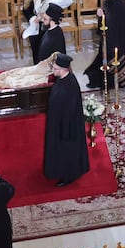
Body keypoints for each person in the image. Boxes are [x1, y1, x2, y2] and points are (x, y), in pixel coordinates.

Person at [43, 54, 90, 187]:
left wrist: (63, 131)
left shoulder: (68, 86)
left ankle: (69, 175)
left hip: (66, 128)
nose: (53, 69)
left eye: (55, 68)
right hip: (59, 124)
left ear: (63, 69)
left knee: (66, 151)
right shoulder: (63, 80)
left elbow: (69, 112)